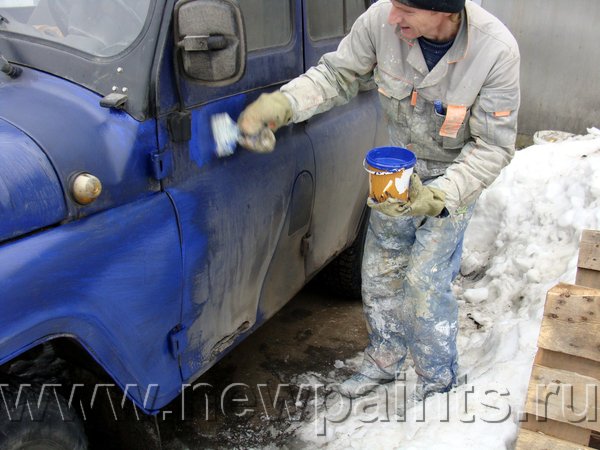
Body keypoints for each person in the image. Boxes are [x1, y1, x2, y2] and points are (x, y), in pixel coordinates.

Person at [238, 0, 520, 405]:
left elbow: (492, 147)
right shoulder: (380, 22)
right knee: (380, 269)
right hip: (395, 164)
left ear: (444, 12)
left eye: (405, 9)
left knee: (425, 281)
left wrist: (438, 196)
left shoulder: (495, 51)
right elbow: (338, 75)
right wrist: (284, 104)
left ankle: (436, 383)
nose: (393, 18)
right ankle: (384, 360)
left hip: (454, 176)